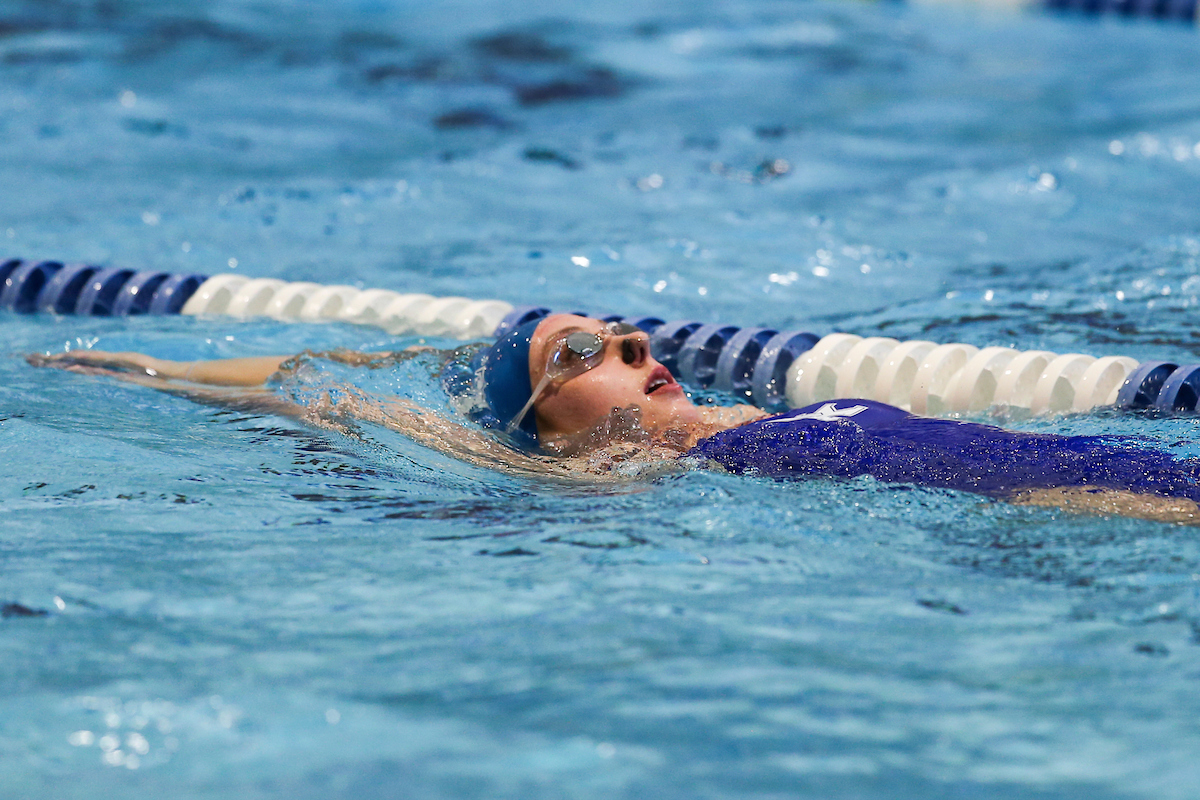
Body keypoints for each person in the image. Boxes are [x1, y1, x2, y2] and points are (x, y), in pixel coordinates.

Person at [27, 313, 1200, 522]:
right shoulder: (599, 474)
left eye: (632, 337)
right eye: (580, 354)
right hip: (1112, 505)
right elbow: (328, 389)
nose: (636, 350)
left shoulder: (750, 415)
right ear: (545, 419)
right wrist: (159, 367)